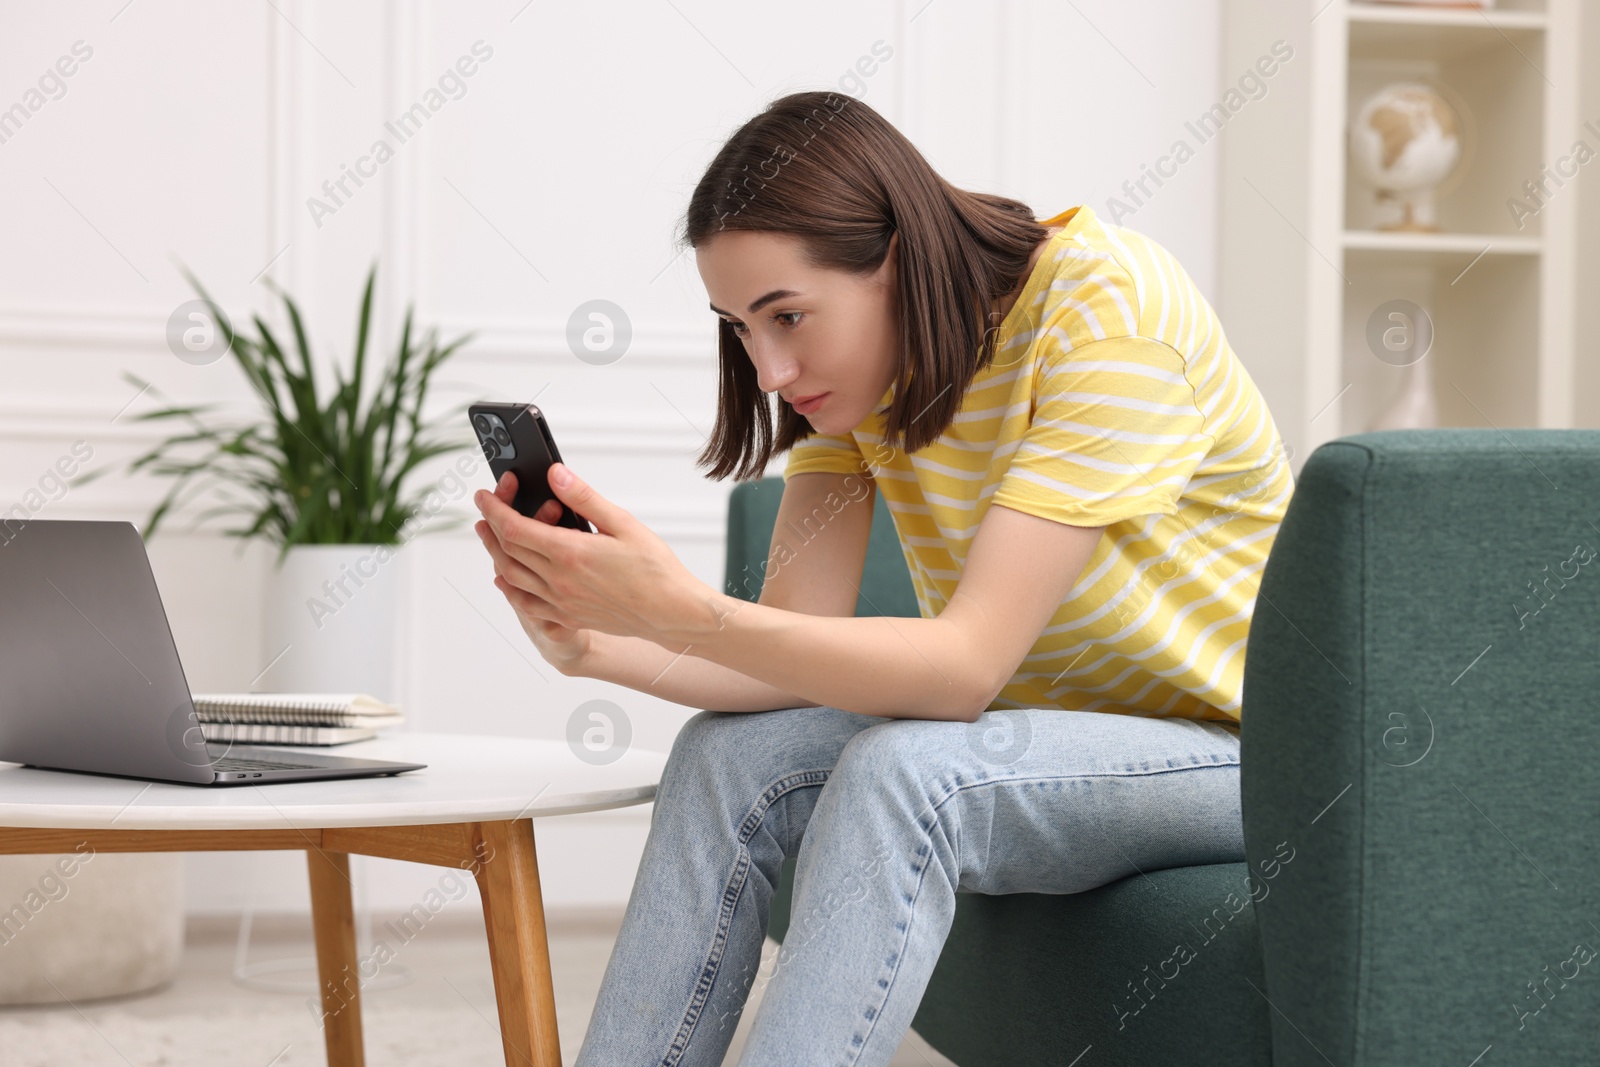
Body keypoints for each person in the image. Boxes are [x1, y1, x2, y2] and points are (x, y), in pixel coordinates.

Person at [472, 89, 1294, 1066]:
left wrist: (684, 610)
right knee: (724, 757)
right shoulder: (859, 388)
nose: (768, 368)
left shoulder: (1107, 315)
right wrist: (600, 646)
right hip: (1058, 739)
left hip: (1246, 752)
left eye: (786, 314)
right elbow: (783, 663)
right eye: (738, 325)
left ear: (896, 257)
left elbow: (964, 670)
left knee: (906, 774)